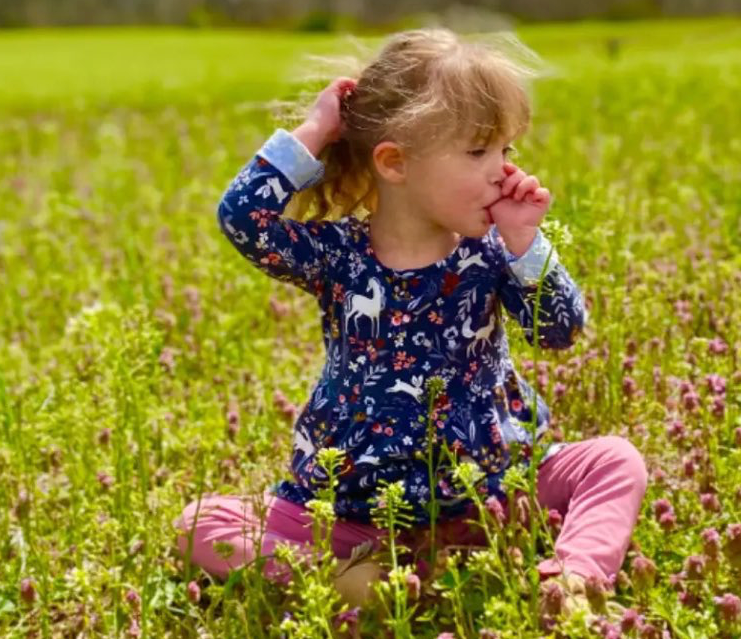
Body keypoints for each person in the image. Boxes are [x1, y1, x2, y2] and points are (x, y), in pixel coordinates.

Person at [172, 27, 647, 619]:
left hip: (489, 492)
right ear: (395, 163)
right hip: (354, 508)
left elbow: (561, 329)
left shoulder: (495, 254)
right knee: (200, 525)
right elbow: (244, 218)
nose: (502, 171)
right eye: (478, 152)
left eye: (507, 151)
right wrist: (317, 131)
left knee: (614, 460)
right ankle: (356, 581)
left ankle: (571, 583)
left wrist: (528, 246)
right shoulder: (340, 256)